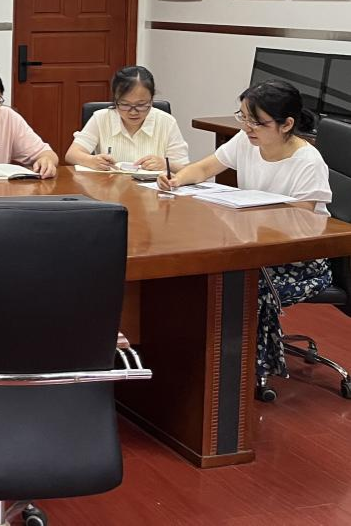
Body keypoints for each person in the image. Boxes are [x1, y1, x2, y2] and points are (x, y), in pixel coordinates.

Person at [158, 80, 331, 391]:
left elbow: (303, 222)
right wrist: (177, 180)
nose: (247, 127)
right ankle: (199, 360)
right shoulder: (246, 141)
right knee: (207, 274)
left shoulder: (307, 162)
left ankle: (242, 371)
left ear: (286, 124)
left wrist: (255, 219)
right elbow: (204, 168)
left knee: (241, 284)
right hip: (253, 247)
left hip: (298, 260)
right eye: (244, 117)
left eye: (257, 121)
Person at [65, 65, 190, 172]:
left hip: (153, 191)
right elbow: (72, 154)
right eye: (125, 104)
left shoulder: (167, 122)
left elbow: (185, 169)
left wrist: (167, 165)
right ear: (115, 100)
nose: (133, 112)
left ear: (151, 100)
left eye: (141, 105)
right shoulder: (101, 118)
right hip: (109, 188)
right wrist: (91, 160)